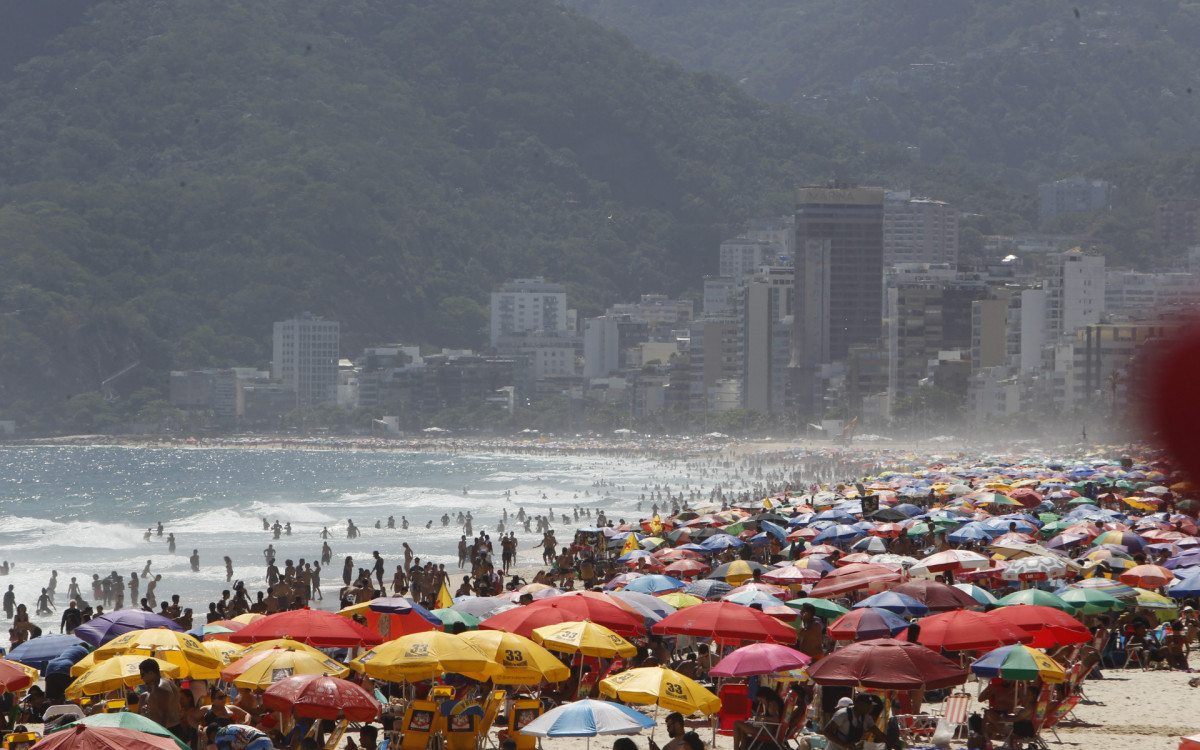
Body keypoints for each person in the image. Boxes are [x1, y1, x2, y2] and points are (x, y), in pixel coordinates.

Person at [139, 657, 183, 738]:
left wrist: (161, 737)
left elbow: (164, 716)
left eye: (142, 674)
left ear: (151, 673)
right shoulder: (169, 683)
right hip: (176, 729)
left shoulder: (159, 689)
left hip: (167, 732)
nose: (141, 678)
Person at [733, 686, 784, 750]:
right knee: (743, 725)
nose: (762, 703)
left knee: (737, 723)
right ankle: (743, 748)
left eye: (761, 700)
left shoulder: (772, 704)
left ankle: (736, 748)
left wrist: (762, 717)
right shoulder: (774, 702)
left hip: (766, 732)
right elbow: (772, 717)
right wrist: (759, 715)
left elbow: (776, 720)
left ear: (765, 697)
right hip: (766, 729)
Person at [207, 723, 273, 750]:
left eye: (212, 739)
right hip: (267, 741)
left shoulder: (220, 734)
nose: (214, 742)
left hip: (255, 743)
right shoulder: (232, 727)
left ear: (213, 733)